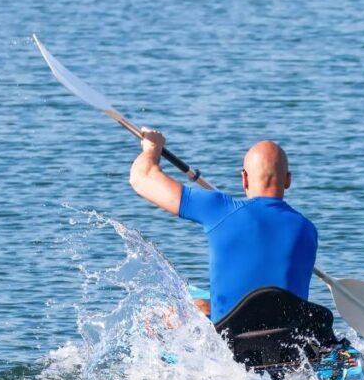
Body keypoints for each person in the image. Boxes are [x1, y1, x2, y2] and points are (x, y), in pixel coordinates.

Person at [129, 129, 318, 322]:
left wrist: (152, 149)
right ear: (288, 179)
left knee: (170, 310)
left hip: (232, 340)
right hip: (291, 340)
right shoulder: (307, 229)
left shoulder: (220, 209)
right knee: (204, 303)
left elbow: (141, 178)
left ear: (244, 178)